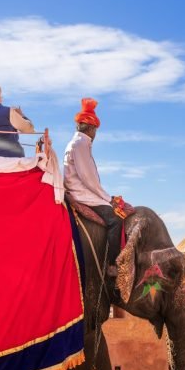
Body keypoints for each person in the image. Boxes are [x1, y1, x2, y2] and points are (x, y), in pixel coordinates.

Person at [63, 98, 122, 276]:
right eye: (95, 130)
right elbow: (88, 179)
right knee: (116, 220)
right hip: (82, 195)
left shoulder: (78, 142)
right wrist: (108, 199)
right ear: (91, 128)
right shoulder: (81, 144)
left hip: (82, 192)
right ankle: (111, 265)